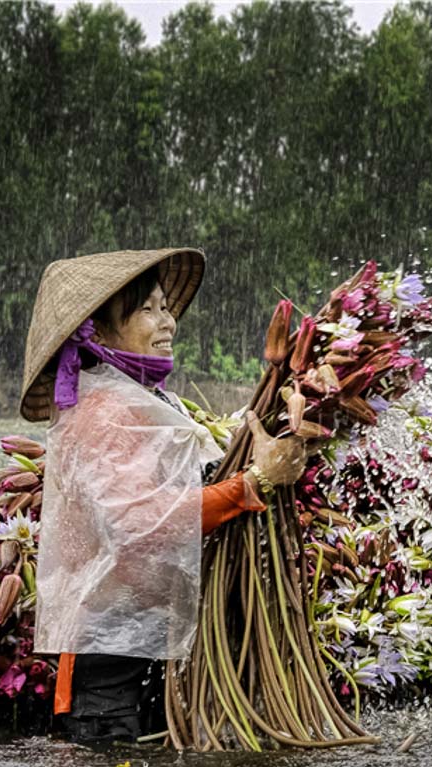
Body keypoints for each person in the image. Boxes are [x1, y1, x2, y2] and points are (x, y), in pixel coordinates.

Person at [19, 249, 309, 742]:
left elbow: (194, 480)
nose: (168, 322)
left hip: (152, 637)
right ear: (99, 333)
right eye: (147, 310)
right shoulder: (103, 411)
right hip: (107, 653)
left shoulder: (150, 399)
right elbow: (137, 523)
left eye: (165, 308)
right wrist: (251, 485)